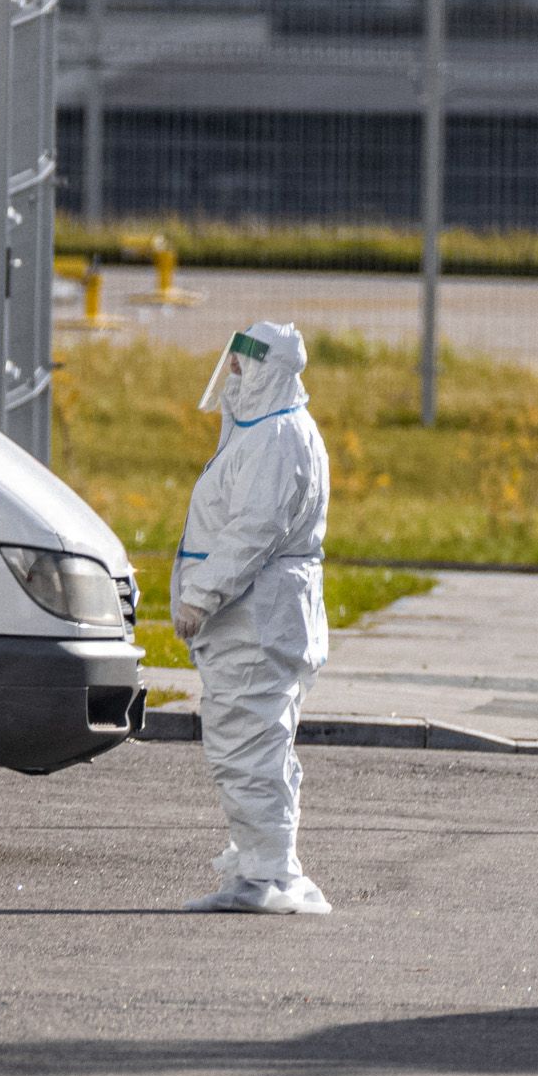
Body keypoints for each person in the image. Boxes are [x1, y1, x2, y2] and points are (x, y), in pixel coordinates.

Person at [172, 322, 333, 913]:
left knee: (249, 748)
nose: (233, 375)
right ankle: (257, 871)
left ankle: (270, 877)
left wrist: (201, 596)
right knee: (251, 745)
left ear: (269, 371)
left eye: (244, 366)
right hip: (259, 617)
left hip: (255, 620)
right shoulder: (270, 432)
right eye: (233, 363)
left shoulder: (276, 439)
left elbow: (251, 532)